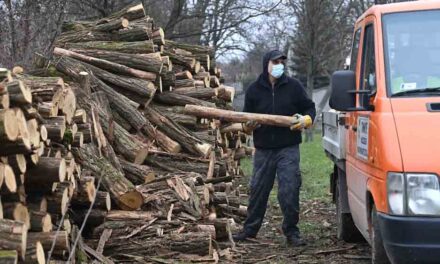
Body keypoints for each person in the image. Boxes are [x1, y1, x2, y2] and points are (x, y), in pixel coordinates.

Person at [233, 50, 316, 246]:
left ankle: (291, 232)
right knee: (258, 190)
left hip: (288, 147)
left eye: (281, 61)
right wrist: (247, 126)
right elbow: (245, 119)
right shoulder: (254, 90)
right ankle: (250, 230)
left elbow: (309, 107)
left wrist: (307, 119)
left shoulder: (293, 86)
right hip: (263, 149)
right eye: (275, 61)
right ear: (266, 64)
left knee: (289, 189)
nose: (279, 65)